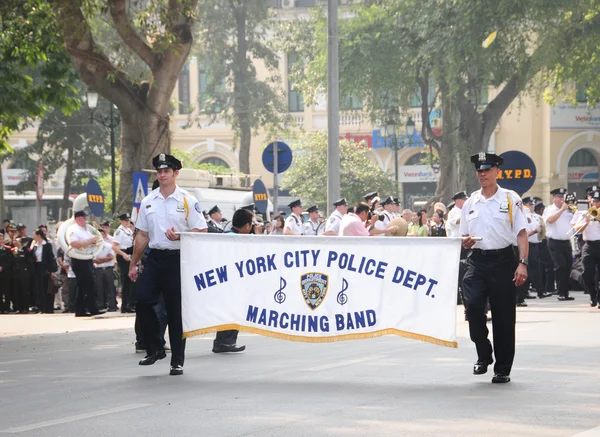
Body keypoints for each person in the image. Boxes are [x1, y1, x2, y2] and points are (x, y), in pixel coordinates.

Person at [130, 153, 207, 376]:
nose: (162, 175)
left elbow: (201, 230)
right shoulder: (148, 201)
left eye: (167, 171)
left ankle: (177, 360)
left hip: (177, 259)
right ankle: (155, 348)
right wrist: (133, 263)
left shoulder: (187, 200)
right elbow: (142, 235)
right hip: (155, 258)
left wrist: (181, 235)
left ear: (176, 173)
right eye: (159, 171)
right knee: (143, 301)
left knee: (175, 311)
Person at [460, 152, 529, 384]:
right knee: (473, 308)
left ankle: (502, 368)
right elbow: (463, 236)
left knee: (503, 317)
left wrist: (523, 263)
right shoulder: (470, 202)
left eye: (487, 170)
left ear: (497, 171)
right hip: (477, 261)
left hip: (503, 261)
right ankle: (483, 353)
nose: (482, 174)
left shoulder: (510, 199)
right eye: (479, 171)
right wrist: (466, 241)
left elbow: (521, 233)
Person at [212, 209, 252, 353]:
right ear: (247, 225)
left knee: (227, 311)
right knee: (232, 311)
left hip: (225, 281)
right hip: (231, 282)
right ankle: (226, 342)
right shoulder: (234, 238)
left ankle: (221, 342)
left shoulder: (227, 235)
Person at [68, 211, 104, 317]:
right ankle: (90, 309)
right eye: (83, 218)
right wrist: (89, 241)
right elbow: (73, 243)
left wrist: (94, 242)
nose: (85, 220)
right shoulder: (74, 230)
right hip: (78, 259)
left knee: (88, 284)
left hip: (87, 258)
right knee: (85, 284)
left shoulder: (87, 229)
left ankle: (82, 309)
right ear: (78, 218)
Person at [543, 188, 576, 301]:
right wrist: (562, 210)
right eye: (559, 197)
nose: (562, 199)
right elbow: (550, 220)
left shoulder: (569, 210)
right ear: (554, 198)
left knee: (567, 267)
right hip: (554, 242)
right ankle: (560, 292)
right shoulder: (550, 209)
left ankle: (565, 292)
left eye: (563, 197)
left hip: (566, 241)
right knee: (560, 266)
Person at [570, 190, 600, 307]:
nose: (595, 204)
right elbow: (577, 229)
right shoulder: (584, 213)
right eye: (594, 202)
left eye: (598, 202)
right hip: (589, 245)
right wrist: (586, 221)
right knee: (587, 272)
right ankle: (593, 295)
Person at [112, 213, 135, 313]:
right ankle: (125, 306)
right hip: (123, 255)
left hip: (129, 254)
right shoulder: (119, 231)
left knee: (130, 281)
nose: (127, 222)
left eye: (128, 220)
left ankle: (129, 304)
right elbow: (114, 246)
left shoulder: (128, 230)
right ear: (121, 221)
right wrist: (123, 255)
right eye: (125, 220)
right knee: (126, 280)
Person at [31, 228, 57, 314]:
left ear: (39, 235)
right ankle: (41, 307)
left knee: (47, 288)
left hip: (45, 268)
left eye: (34, 235)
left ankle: (48, 308)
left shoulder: (47, 245)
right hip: (37, 267)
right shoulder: (35, 245)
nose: (33, 237)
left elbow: (51, 258)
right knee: (38, 288)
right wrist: (32, 246)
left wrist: (52, 270)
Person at [94, 228, 117, 311]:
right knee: (99, 288)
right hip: (98, 269)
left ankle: (112, 305)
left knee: (111, 288)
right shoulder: (93, 247)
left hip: (108, 269)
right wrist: (104, 259)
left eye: (102, 234)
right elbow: (93, 259)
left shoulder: (109, 245)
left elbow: (111, 257)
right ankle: (100, 305)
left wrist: (100, 260)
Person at [0, 229, 14, 313]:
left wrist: (3, 267)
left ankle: (7, 308)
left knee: (7, 292)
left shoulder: (7, 250)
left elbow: (10, 262)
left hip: (6, 274)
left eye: (1, 239)